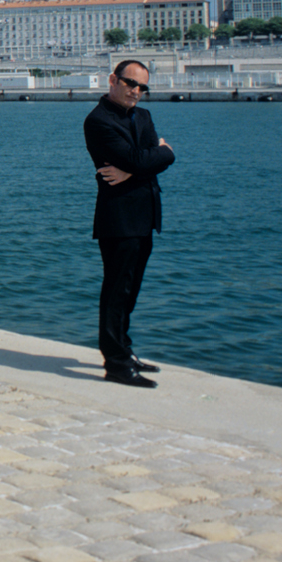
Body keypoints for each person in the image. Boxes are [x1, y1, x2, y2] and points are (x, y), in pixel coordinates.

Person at [84, 59, 175, 388]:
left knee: (131, 289)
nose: (136, 91)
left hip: (145, 213)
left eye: (143, 87)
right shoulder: (98, 120)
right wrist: (160, 155)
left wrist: (133, 168)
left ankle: (124, 349)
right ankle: (116, 363)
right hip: (118, 217)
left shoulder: (144, 116)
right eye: (130, 83)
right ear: (113, 80)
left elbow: (142, 160)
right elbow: (149, 157)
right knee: (116, 290)